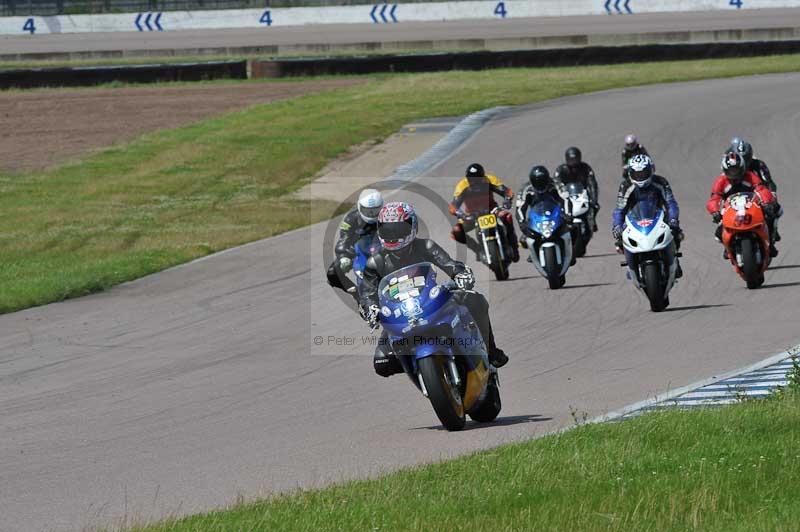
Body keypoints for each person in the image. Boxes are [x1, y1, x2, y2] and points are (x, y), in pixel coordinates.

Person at [360, 201, 509, 377]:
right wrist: (371, 308)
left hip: (432, 302)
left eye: (398, 230)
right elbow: (367, 294)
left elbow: (450, 265)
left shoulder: (426, 247)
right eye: (387, 231)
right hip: (400, 315)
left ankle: (490, 352)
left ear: (412, 226)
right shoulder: (374, 263)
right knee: (382, 364)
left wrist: (460, 274)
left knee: (476, 300)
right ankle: (422, 371)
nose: (393, 236)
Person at [612, 154, 683, 278]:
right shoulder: (625, 186)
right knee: (619, 240)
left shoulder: (660, 182)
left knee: (676, 231)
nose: (640, 177)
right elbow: (619, 209)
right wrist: (617, 226)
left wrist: (673, 219)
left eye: (643, 173)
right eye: (637, 174)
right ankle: (631, 265)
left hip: (657, 216)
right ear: (630, 173)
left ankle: (674, 259)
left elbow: (671, 203)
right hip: (634, 219)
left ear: (651, 170)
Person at [707, 152, 778, 258]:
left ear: (742, 167)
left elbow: (761, 189)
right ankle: (728, 248)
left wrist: (767, 202)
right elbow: (714, 199)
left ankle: (770, 244)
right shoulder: (721, 181)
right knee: (719, 232)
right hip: (731, 210)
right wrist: (715, 211)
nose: (734, 174)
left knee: (769, 217)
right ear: (725, 170)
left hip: (751, 206)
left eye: (736, 170)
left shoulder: (750, 176)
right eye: (731, 170)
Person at [449, 163, 519, 263]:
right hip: (472, 215)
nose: (475, 182)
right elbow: (453, 205)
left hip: (492, 210)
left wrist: (507, 199)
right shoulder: (462, 186)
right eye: (471, 179)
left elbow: (507, 191)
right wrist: (459, 213)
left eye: (477, 179)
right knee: (456, 231)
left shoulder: (490, 179)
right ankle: (478, 250)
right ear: (467, 178)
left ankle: (513, 246)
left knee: (506, 216)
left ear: (483, 176)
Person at [326, 188, 383, 299]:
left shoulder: (387, 214)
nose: (371, 214)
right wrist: (343, 256)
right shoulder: (351, 218)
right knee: (332, 273)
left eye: (374, 211)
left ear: (381, 207)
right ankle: (355, 292)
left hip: (383, 246)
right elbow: (343, 240)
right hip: (359, 249)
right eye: (367, 211)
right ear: (359, 207)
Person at [726, 137, 781, 241]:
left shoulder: (759, 165)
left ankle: (771, 231)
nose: (743, 161)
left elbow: (769, 182)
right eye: (740, 157)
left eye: (746, 157)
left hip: (758, 194)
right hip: (737, 196)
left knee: (775, 208)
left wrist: (771, 195)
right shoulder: (731, 165)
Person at [515, 165, 563, 250]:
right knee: (524, 241)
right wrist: (522, 223)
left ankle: (570, 249)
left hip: (555, 215)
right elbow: (520, 208)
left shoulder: (556, 184)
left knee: (572, 229)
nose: (540, 184)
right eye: (537, 182)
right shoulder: (526, 189)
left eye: (543, 181)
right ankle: (535, 250)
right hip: (537, 218)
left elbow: (565, 198)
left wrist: (568, 213)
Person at [553, 147, 600, 232]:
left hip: (582, 194)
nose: (573, 162)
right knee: (556, 209)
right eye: (571, 160)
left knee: (595, 206)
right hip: (566, 195)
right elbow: (556, 182)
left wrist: (594, 199)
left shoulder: (585, 168)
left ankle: (591, 221)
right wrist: (561, 191)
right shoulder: (561, 169)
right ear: (567, 159)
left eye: (575, 159)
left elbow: (592, 183)